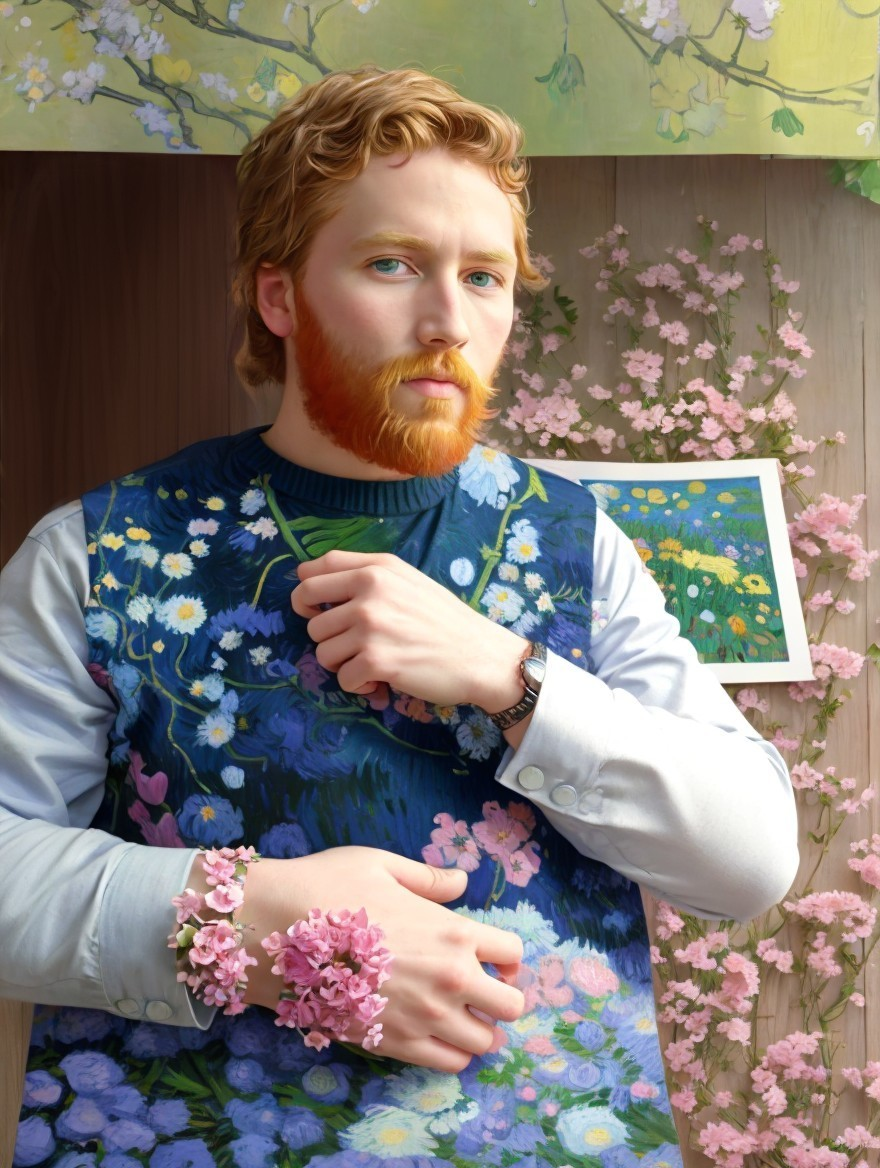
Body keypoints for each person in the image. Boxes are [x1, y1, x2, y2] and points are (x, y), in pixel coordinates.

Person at [1, 67, 798, 1168]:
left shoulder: (580, 544)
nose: (447, 322)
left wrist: (516, 676)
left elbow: (750, 859)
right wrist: (259, 921)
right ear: (279, 298)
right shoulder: (95, 552)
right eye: (392, 265)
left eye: (484, 277)